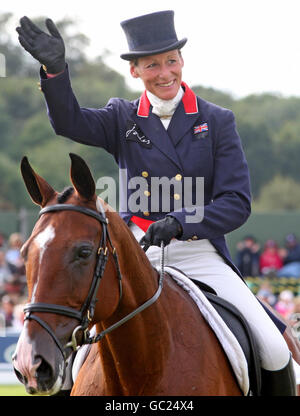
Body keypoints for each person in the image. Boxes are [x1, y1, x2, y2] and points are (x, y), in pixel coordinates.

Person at [16, 10, 296, 395]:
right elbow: (69, 122)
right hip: (136, 255)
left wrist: (182, 223)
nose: (164, 73)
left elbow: (236, 203)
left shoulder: (217, 121)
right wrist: (55, 71)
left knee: (273, 348)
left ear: (181, 62)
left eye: (171, 61)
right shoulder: (121, 117)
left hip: (200, 253)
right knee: (76, 361)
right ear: (135, 71)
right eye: (152, 65)